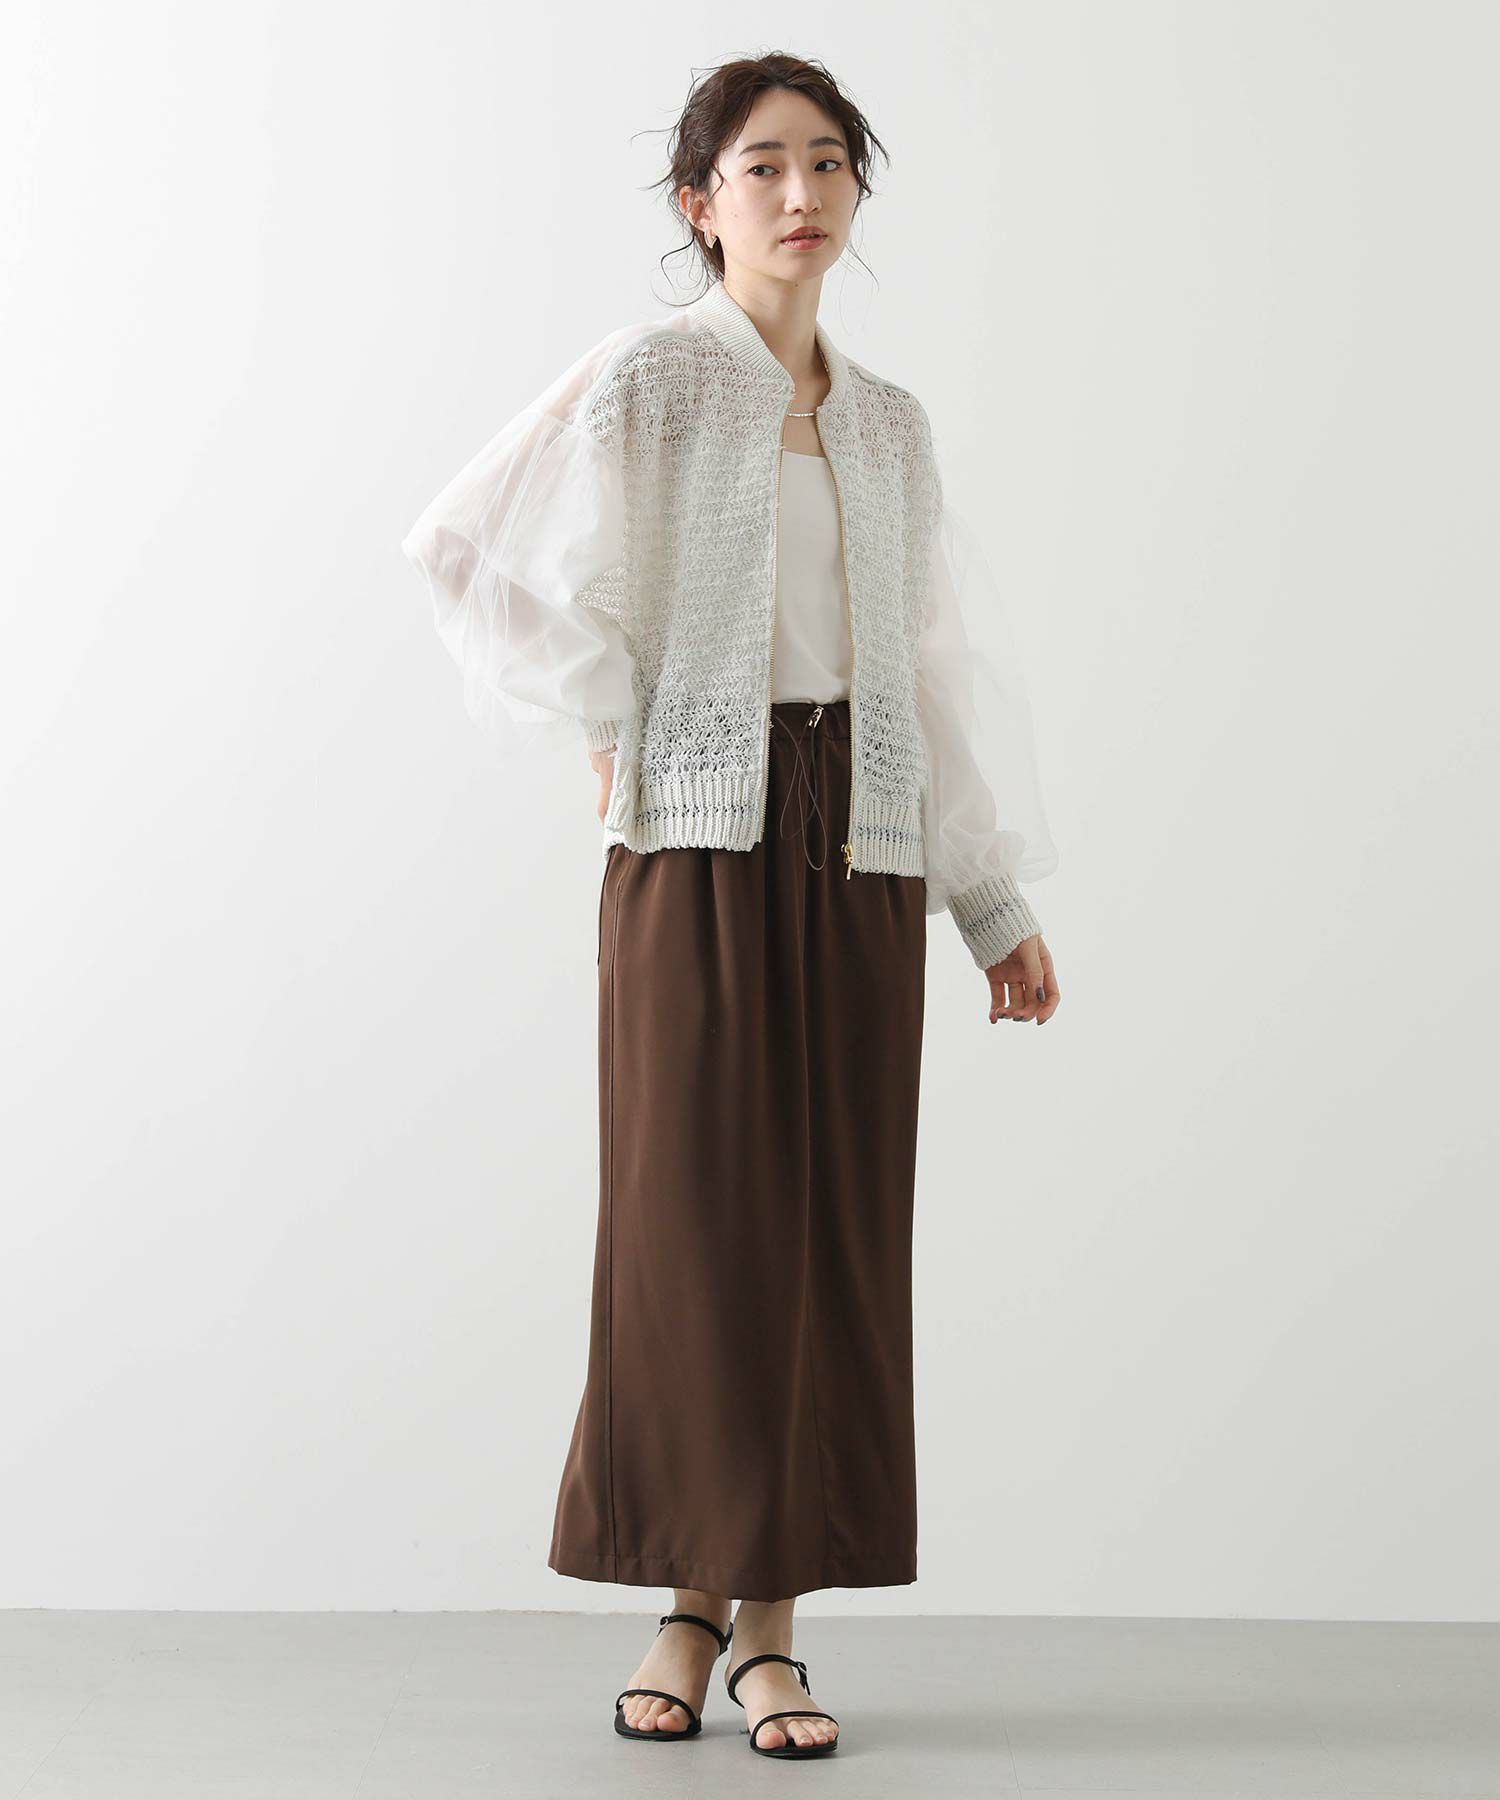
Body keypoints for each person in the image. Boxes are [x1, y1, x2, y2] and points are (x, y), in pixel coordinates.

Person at [401, 51, 1062, 1762]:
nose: (800, 192)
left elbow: (926, 666)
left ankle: (767, 1630)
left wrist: (988, 900)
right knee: (694, 1231)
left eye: (829, 162)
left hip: (865, 841)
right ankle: (687, 1604)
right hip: (697, 841)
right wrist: (617, 718)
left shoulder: (890, 425)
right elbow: (461, 547)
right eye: (762, 164)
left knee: (833, 1231)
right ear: (701, 203)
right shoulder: (649, 380)